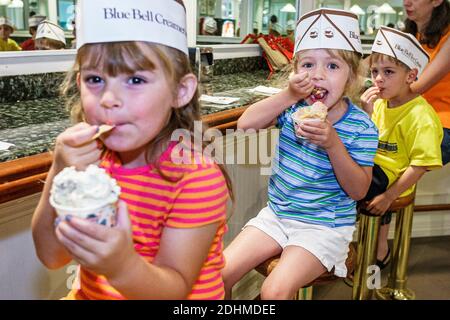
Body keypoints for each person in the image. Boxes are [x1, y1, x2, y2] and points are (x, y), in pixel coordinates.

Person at [32, 0, 232, 300]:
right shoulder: (91, 159)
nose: (109, 99)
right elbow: (52, 256)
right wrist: (59, 171)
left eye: (135, 79)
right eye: (95, 79)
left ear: (180, 91)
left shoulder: (195, 177)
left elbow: (175, 288)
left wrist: (120, 266)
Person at [222, 8, 378, 300]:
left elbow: (358, 190)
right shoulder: (292, 108)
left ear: (352, 76)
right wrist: (288, 95)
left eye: (332, 66)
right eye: (307, 65)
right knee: (217, 275)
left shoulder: (361, 127)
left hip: (324, 225)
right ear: (294, 72)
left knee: (274, 291)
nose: (317, 75)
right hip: (277, 215)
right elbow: (245, 126)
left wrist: (333, 145)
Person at [357, 27, 443, 272]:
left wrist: (389, 196)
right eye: (374, 72)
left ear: (411, 75)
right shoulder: (381, 105)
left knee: (344, 185)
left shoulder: (421, 116)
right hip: (371, 167)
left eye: (388, 72)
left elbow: (420, 165)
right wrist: (366, 114)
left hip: (391, 177)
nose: (378, 79)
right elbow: (366, 144)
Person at [403, 0, 450, 165]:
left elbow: (418, 86)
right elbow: (372, 62)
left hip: (442, 123)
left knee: (390, 164)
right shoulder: (410, 35)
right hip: (412, 117)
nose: (406, 2)